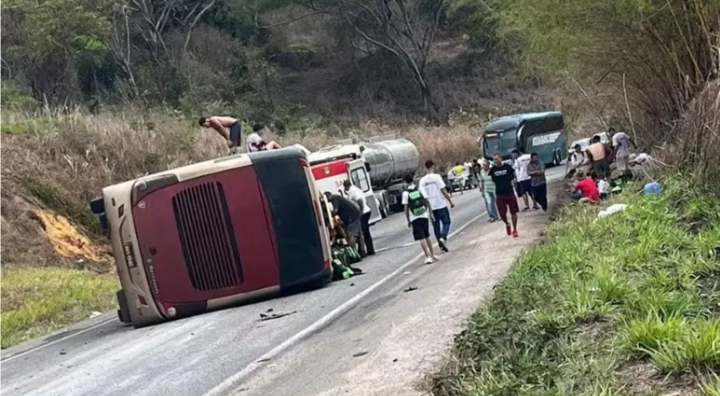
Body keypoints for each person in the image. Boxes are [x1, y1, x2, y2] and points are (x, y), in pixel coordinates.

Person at [419, 160, 455, 252]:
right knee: (446, 222)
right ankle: (443, 238)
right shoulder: (437, 177)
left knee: (436, 227)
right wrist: (450, 201)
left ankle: (440, 245)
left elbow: (421, 195)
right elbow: (443, 190)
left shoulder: (422, 181)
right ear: (433, 167)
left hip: (430, 207)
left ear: (425, 168)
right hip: (440, 204)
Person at [402, 175, 438, 264]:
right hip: (424, 215)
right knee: (427, 236)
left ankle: (427, 256)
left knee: (421, 238)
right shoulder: (420, 189)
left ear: (405, 183)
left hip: (414, 217)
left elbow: (406, 208)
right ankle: (433, 255)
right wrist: (430, 213)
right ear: (413, 181)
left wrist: (408, 219)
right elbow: (427, 201)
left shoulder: (405, 193)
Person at [489, 153, 519, 238]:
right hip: (500, 194)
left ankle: (515, 230)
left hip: (509, 192)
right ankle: (507, 223)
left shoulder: (508, 167)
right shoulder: (493, 170)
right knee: (502, 213)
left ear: (501, 158)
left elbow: (513, 176)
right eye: (494, 159)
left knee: (513, 212)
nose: (496, 161)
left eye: (497, 159)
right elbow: (493, 180)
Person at [343, 180, 375, 257]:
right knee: (366, 231)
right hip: (367, 210)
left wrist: (360, 211)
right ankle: (370, 249)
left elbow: (359, 200)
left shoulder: (353, 191)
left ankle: (362, 250)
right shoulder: (355, 189)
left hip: (363, 212)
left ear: (346, 186)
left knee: (361, 232)